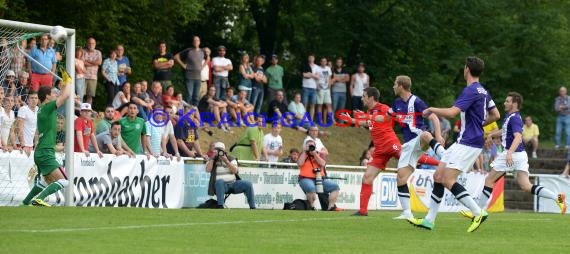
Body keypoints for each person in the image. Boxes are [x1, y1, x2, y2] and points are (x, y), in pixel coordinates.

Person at [407, 56, 501, 232]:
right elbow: (496, 114)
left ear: (467, 69)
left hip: (468, 142)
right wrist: (479, 124)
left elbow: (452, 112)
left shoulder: (471, 90)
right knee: (438, 176)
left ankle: (477, 212)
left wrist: (432, 109)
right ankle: (429, 220)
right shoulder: (483, 91)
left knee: (448, 179)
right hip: (465, 141)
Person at [462, 92, 567, 219]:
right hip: (520, 155)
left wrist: (510, 153)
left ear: (515, 103)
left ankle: (477, 213)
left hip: (512, 154)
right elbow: (506, 131)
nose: (504, 103)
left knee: (489, 180)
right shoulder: (511, 117)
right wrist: (491, 135)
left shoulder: (515, 118)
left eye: (507, 101)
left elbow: (518, 136)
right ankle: (558, 198)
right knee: (526, 186)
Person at [390, 75, 446, 220]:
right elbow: (386, 115)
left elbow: (433, 117)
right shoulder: (396, 103)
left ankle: (444, 154)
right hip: (408, 145)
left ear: (401, 86)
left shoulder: (416, 101)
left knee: (426, 134)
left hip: (418, 137)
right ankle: (407, 213)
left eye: (395, 84)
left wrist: (439, 136)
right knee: (401, 178)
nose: (393, 86)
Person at [20, 80, 71, 206]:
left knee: (45, 181)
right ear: (47, 96)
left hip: (41, 152)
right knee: (65, 181)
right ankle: (39, 199)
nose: (55, 95)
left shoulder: (41, 110)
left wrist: (64, 85)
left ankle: (25, 203)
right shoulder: (48, 108)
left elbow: (62, 95)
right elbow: (66, 95)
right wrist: (69, 81)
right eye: (53, 93)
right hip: (46, 152)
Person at [206, 142, 256, 209]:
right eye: (217, 149)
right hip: (220, 186)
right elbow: (208, 170)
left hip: (233, 184)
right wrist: (212, 158)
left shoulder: (231, 159)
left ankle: (253, 207)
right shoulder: (212, 160)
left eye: (220, 150)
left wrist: (226, 161)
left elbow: (235, 171)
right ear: (214, 150)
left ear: (224, 151)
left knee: (248, 184)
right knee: (220, 181)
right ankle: (220, 205)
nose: (219, 152)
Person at [297, 138, 342, 211]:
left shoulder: (319, 154)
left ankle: (331, 207)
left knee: (335, 187)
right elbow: (299, 163)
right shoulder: (303, 154)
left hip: (320, 179)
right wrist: (305, 152)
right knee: (311, 188)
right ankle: (311, 207)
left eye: (312, 146)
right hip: (305, 178)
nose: (310, 148)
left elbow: (322, 163)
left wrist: (315, 154)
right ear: (305, 146)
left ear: (315, 147)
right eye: (309, 146)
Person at [175, 36, 205, 106]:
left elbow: (208, 58)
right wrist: (183, 65)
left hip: (198, 77)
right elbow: (176, 57)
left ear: (199, 42)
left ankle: (194, 113)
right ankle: (188, 113)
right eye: (194, 40)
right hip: (189, 77)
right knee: (189, 96)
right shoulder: (188, 50)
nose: (196, 42)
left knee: (196, 97)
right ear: (192, 42)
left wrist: (202, 66)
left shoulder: (202, 52)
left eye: (197, 40)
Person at [302, 54, 320, 121]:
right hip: (305, 87)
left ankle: (311, 120)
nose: (311, 58)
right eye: (310, 57)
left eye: (312, 57)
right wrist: (313, 75)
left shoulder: (317, 67)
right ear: (308, 58)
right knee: (304, 104)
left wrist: (310, 74)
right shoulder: (305, 66)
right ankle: (304, 119)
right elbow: (304, 75)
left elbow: (318, 77)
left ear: (314, 59)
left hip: (314, 88)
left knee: (313, 105)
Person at [316, 57, 332, 124]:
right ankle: (320, 120)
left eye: (325, 61)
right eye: (322, 61)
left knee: (328, 104)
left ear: (326, 62)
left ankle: (330, 120)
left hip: (327, 89)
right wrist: (317, 86)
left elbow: (330, 77)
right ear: (320, 62)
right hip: (320, 88)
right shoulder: (318, 68)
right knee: (320, 105)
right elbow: (316, 78)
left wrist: (329, 85)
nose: (323, 62)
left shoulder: (328, 68)